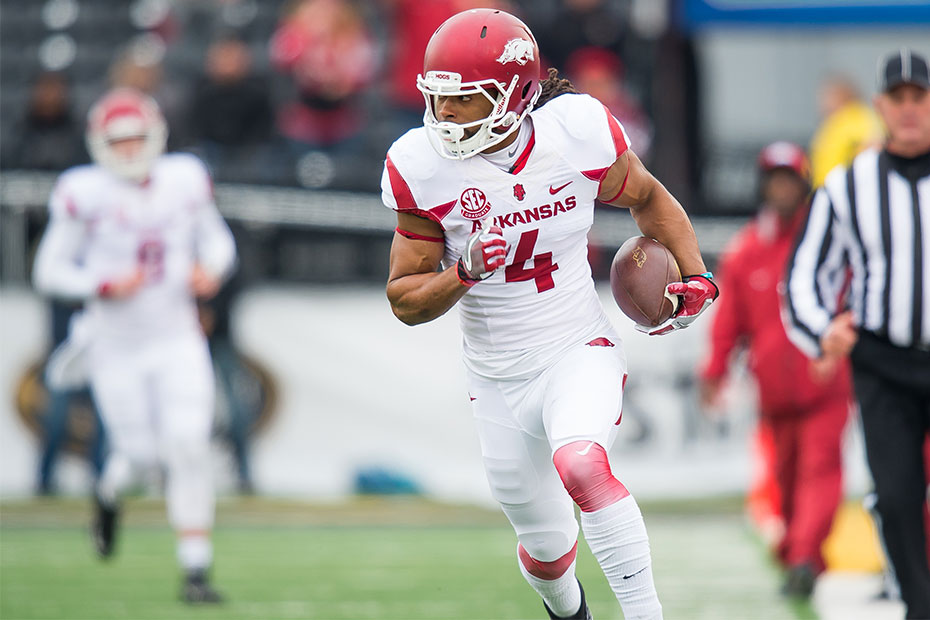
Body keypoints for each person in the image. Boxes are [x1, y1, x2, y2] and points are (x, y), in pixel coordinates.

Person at [381, 9, 718, 619]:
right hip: (496, 377)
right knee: (547, 551)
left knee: (583, 463)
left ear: (512, 95)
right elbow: (404, 297)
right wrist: (462, 273)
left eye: (464, 100)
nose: (445, 116)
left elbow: (646, 195)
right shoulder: (421, 165)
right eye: (439, 100)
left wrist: (694, 273)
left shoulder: (574, 131)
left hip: (574, 345)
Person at [32, 87, 236, 604]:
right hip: (114, 344)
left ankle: (195, 571)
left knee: (189, 445)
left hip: (177, 335)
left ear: (155, 136)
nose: (127, 150)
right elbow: (49, 269)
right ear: (99, 143)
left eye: (135, 139)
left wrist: (208, 271)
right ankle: (106, 496)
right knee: (140, 459)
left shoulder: (184, 178)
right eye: (117, 141)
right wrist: (99, 284)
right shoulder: (84, 190)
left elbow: (217, 241)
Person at [784, 48, 930, 619]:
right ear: (880, 107)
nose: (909, 108)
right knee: (896, 498)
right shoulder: (848, 186)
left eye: (919, 96)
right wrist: (823, 330)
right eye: (898, 98)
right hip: (883, 362)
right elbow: (803, 277)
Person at [700, 141, 852, 599]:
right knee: (785, 478)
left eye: (790, 179)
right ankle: (796, 554)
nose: (782, 188)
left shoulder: (829, 242)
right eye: (775, 180)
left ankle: (805, 556)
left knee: (820, 471)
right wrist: (715, 372)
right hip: (775, 389)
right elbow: (729, 321)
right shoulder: (747, 250)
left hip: (824, 381)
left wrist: (842, 348)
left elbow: (854, 298)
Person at [809, 74, 884, 188]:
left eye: (830, 96)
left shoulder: (858, 118)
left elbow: (874, 146)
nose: (824, 103)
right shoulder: (833, 123)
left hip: (847, 190)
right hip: (830, 191)